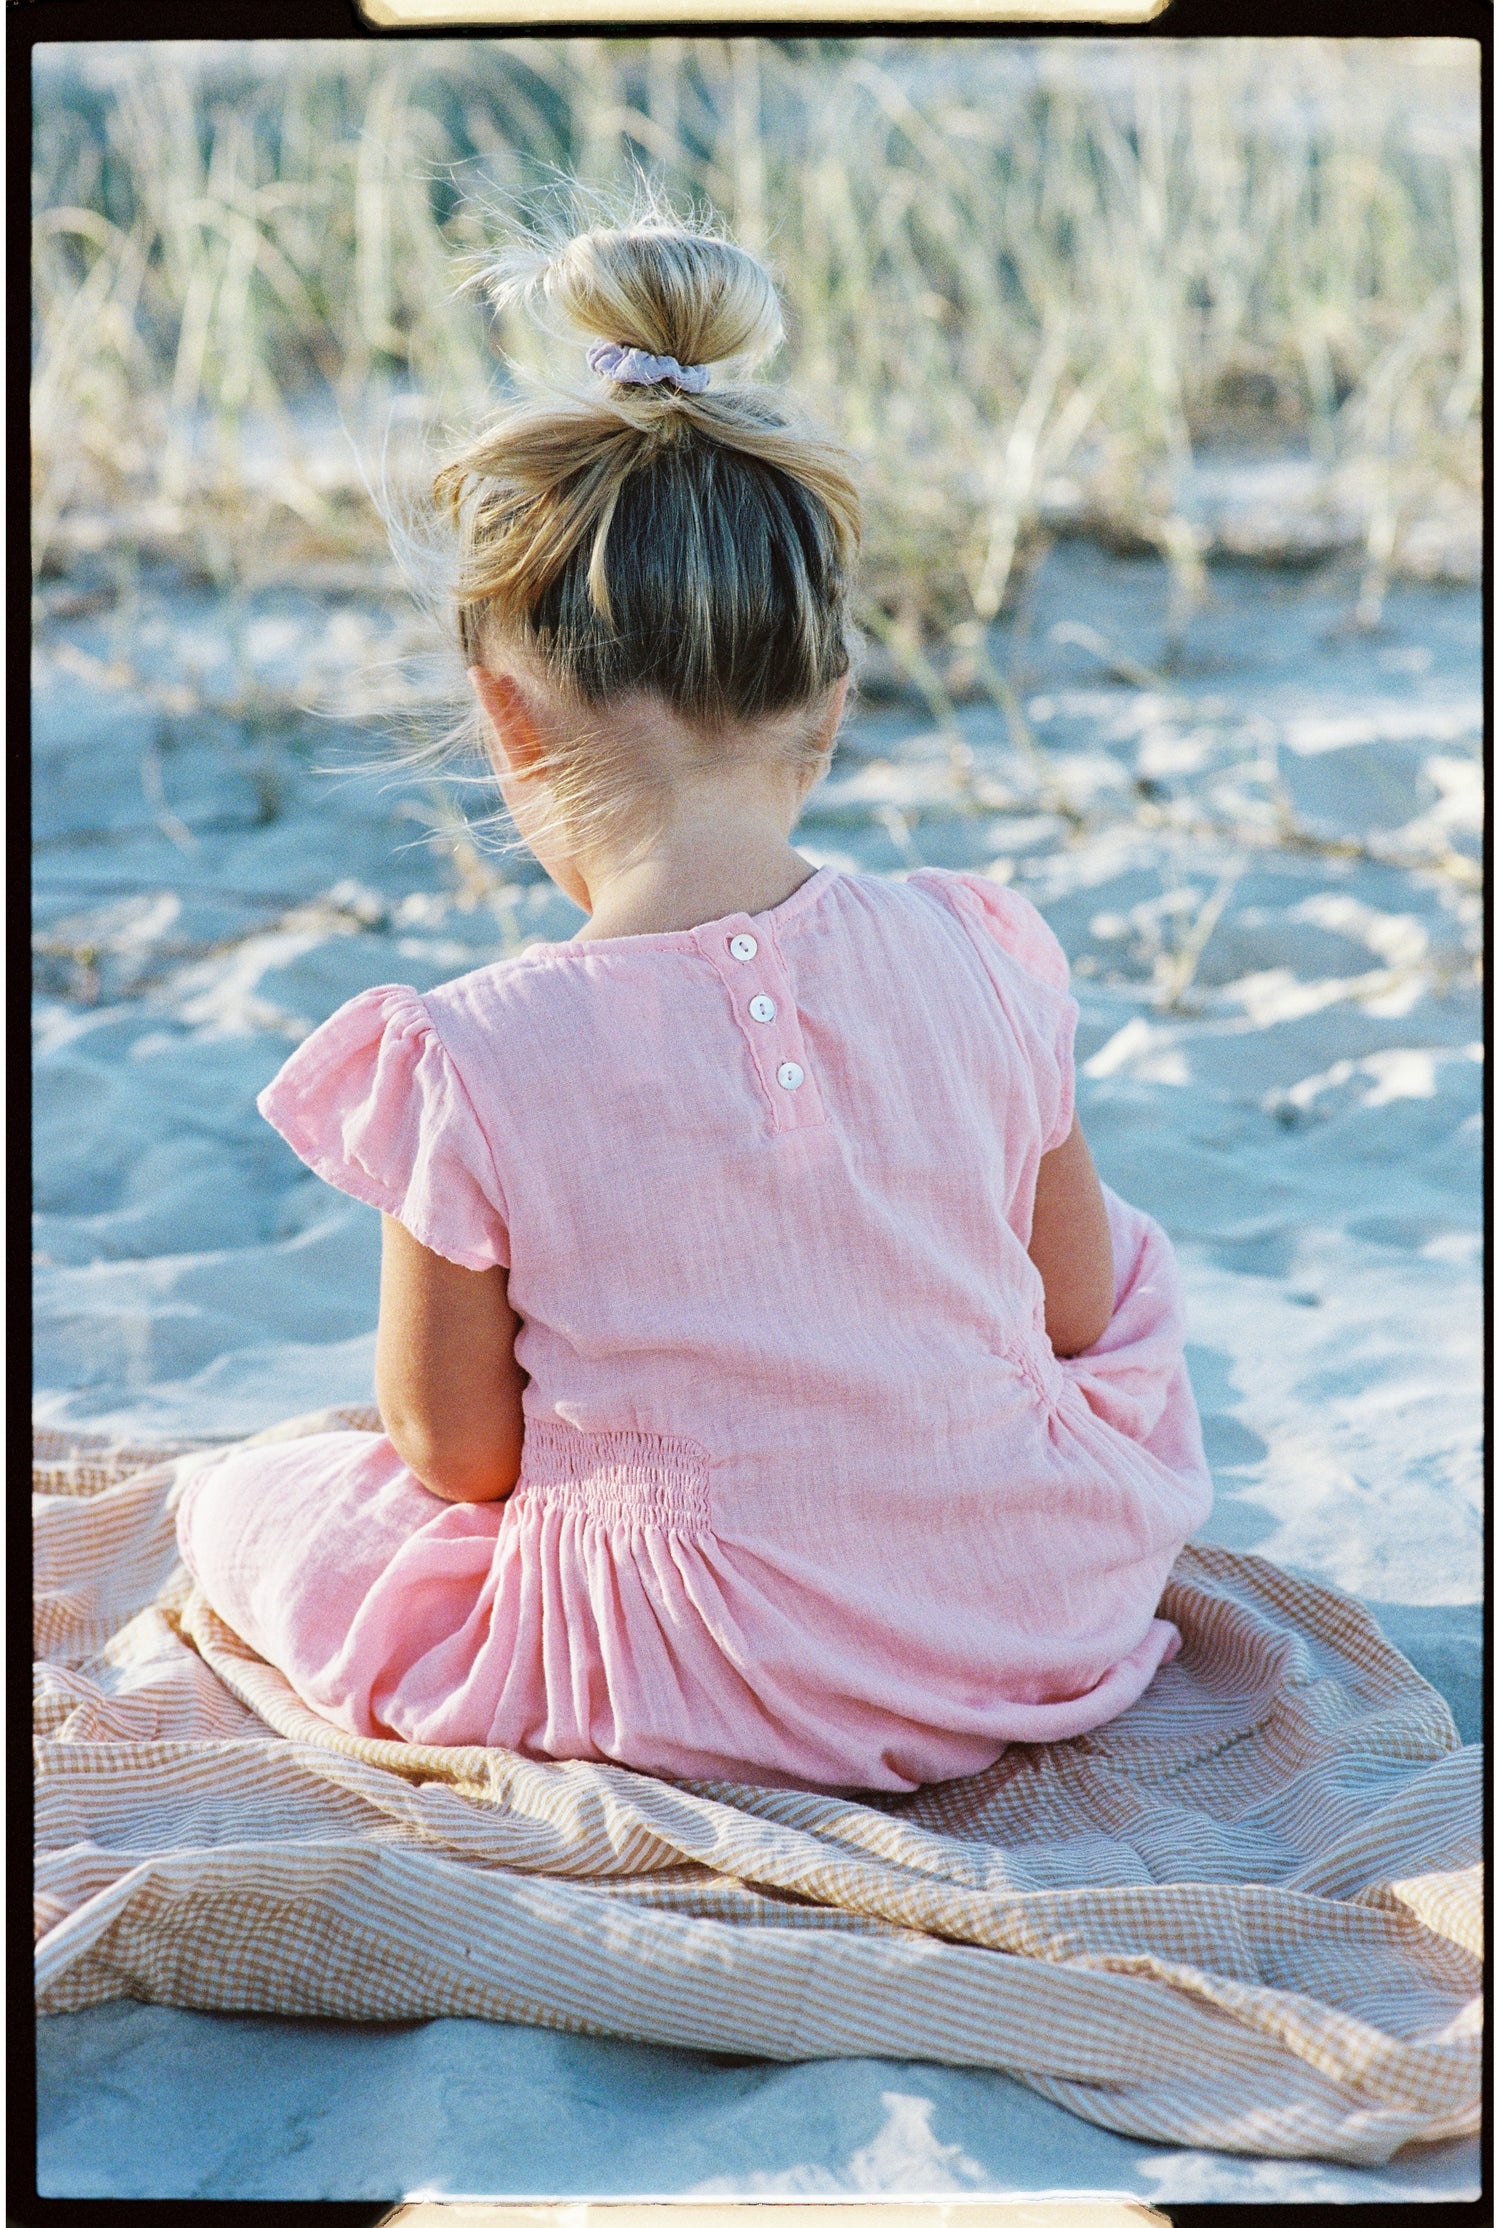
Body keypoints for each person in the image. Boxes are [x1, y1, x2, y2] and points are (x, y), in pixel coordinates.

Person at [177, 216, 1212, 1794]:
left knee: (257, 1505)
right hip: (1030, 1610)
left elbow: (457, 1454)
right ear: (833, 701)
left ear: (508, 718)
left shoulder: (472, 1054)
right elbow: (1076, 1311)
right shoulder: (981, 948)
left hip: (695, 1669)